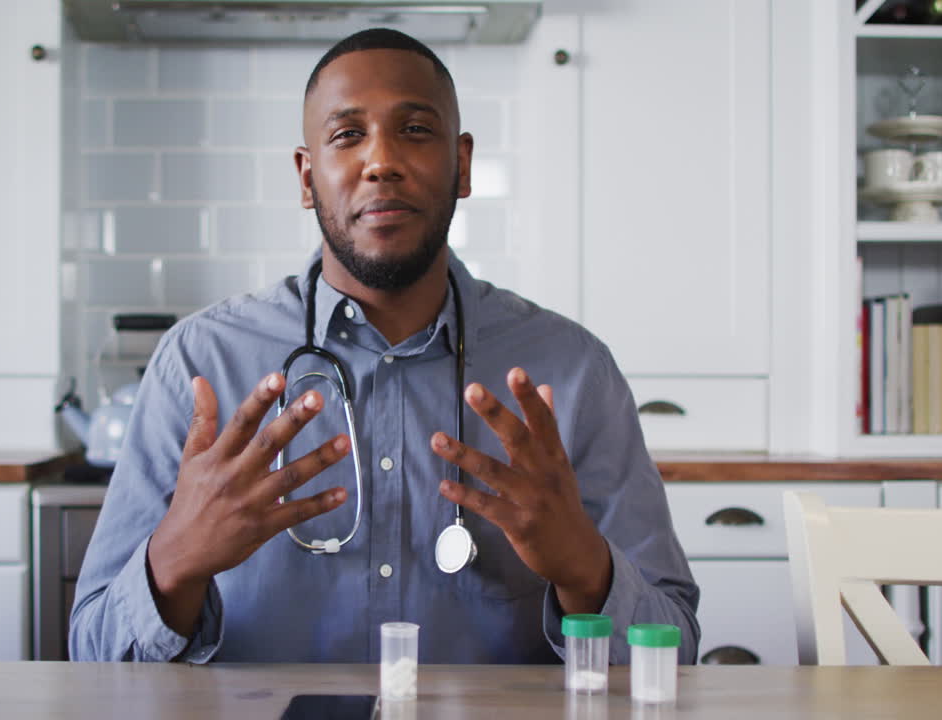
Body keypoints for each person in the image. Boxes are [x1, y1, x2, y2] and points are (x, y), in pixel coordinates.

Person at [70, 28, 699, 665]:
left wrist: (586, 571)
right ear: (306, 175)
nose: (381, 161)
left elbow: (674, 652)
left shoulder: (572, 371)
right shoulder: (199, 363)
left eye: (416, 130)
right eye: (347, 135)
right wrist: (175, 560)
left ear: (463, 165)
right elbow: (92, 658)